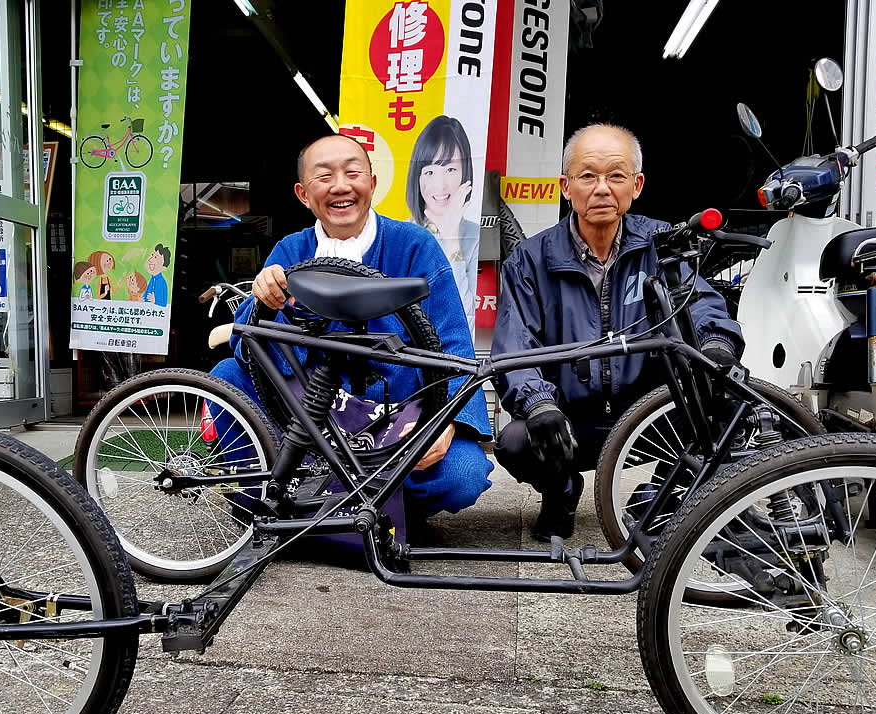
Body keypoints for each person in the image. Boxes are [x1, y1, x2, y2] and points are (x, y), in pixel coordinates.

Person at [211, 132, 493, 521]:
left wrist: (447, 423)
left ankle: (374, 514)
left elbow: (454, 345)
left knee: (464, 472)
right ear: (303, 194)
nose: (341, 186)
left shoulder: (414, 245)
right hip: (309, 419)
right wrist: (261, 299)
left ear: (373, 184)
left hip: (396, 418)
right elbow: (247, 345)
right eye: (324, 177)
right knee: (225, 377)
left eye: (353, 172)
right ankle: (267, 505)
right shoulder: (291, 251)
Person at [492, 123, 744, 542]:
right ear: (565, 187)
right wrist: (538, 404)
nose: (602, 188)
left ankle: (659, 500)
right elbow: (513, 346)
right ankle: (561, 491)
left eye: (616, 175)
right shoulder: (530, 259)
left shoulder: (663, 244)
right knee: (516, 440)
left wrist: (717, 346)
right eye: (587, 175)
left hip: (646, 415)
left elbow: (702, 304)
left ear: (637, 185)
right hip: (567, 419)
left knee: (726, 406)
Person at [406, 115, 479, 327]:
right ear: (417, 178)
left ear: (466, 173)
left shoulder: (475, 237)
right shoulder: (400, 235)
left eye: (450, 170)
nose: (440, 185)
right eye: (429, 171)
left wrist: (451, 239)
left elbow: (465, 322)